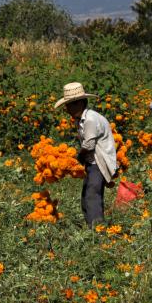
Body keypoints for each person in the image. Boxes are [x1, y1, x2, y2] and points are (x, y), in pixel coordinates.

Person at [55, 82, 118, 229]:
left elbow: (89, 146)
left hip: (98, 163)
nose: (66, 109)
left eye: (69, 105)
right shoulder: (82, 119)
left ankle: (98, 230)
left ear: (80, 103)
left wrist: (75, 161)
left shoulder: (90, 119)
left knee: (92, 197)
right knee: (86, 197)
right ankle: (92, 227)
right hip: (92, 163)